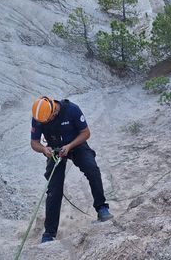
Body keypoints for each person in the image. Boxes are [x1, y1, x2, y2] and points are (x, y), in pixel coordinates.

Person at [30, 96, 113, 243]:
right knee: (54, 190)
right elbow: (34, 143)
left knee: (92, 169)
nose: (45, 123)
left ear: (54, 111)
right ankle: (49, 233)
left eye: (47, 121)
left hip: (76, 144)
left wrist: (69, 146)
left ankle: (102, 208)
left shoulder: (72, 110)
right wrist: (44, 149)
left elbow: (86, 133)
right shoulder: (39, 117)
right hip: (55, 150)